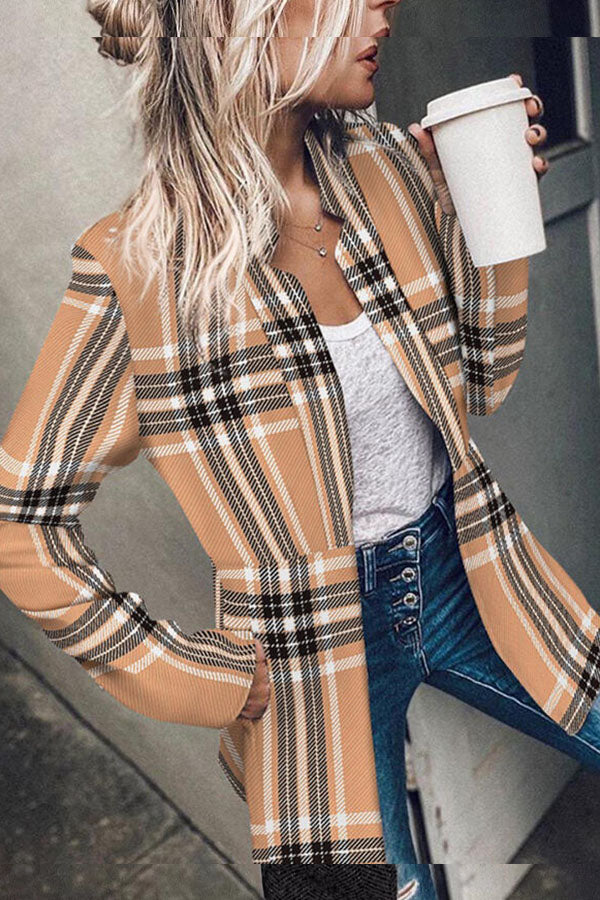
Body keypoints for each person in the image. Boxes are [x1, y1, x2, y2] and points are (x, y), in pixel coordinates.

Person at [1, 2, 598, 899]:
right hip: (303, 654)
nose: (384, 7)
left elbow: (484, 378)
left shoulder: (390, 167)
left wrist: (480, 215)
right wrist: (188, 677)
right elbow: (20, 525)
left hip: (465, 566)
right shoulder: (137, 267)